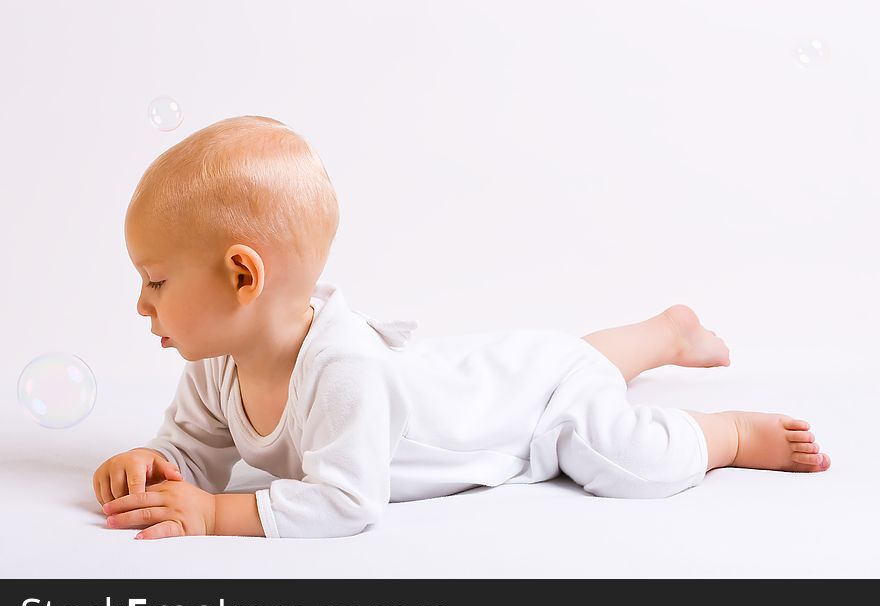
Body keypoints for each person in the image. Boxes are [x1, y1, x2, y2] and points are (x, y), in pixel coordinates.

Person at [93, 115, 830, 540]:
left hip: (531, 414)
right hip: (496, 372)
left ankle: (726, 432)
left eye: (156, 280)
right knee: (558, 358)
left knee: (624, 457)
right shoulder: (216, 360)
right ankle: (665, 332)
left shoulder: (342, 370)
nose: (141, 304)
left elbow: (350, 502)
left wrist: (216, 515)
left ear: (243, 278)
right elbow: (196, 448)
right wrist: (157, 466)